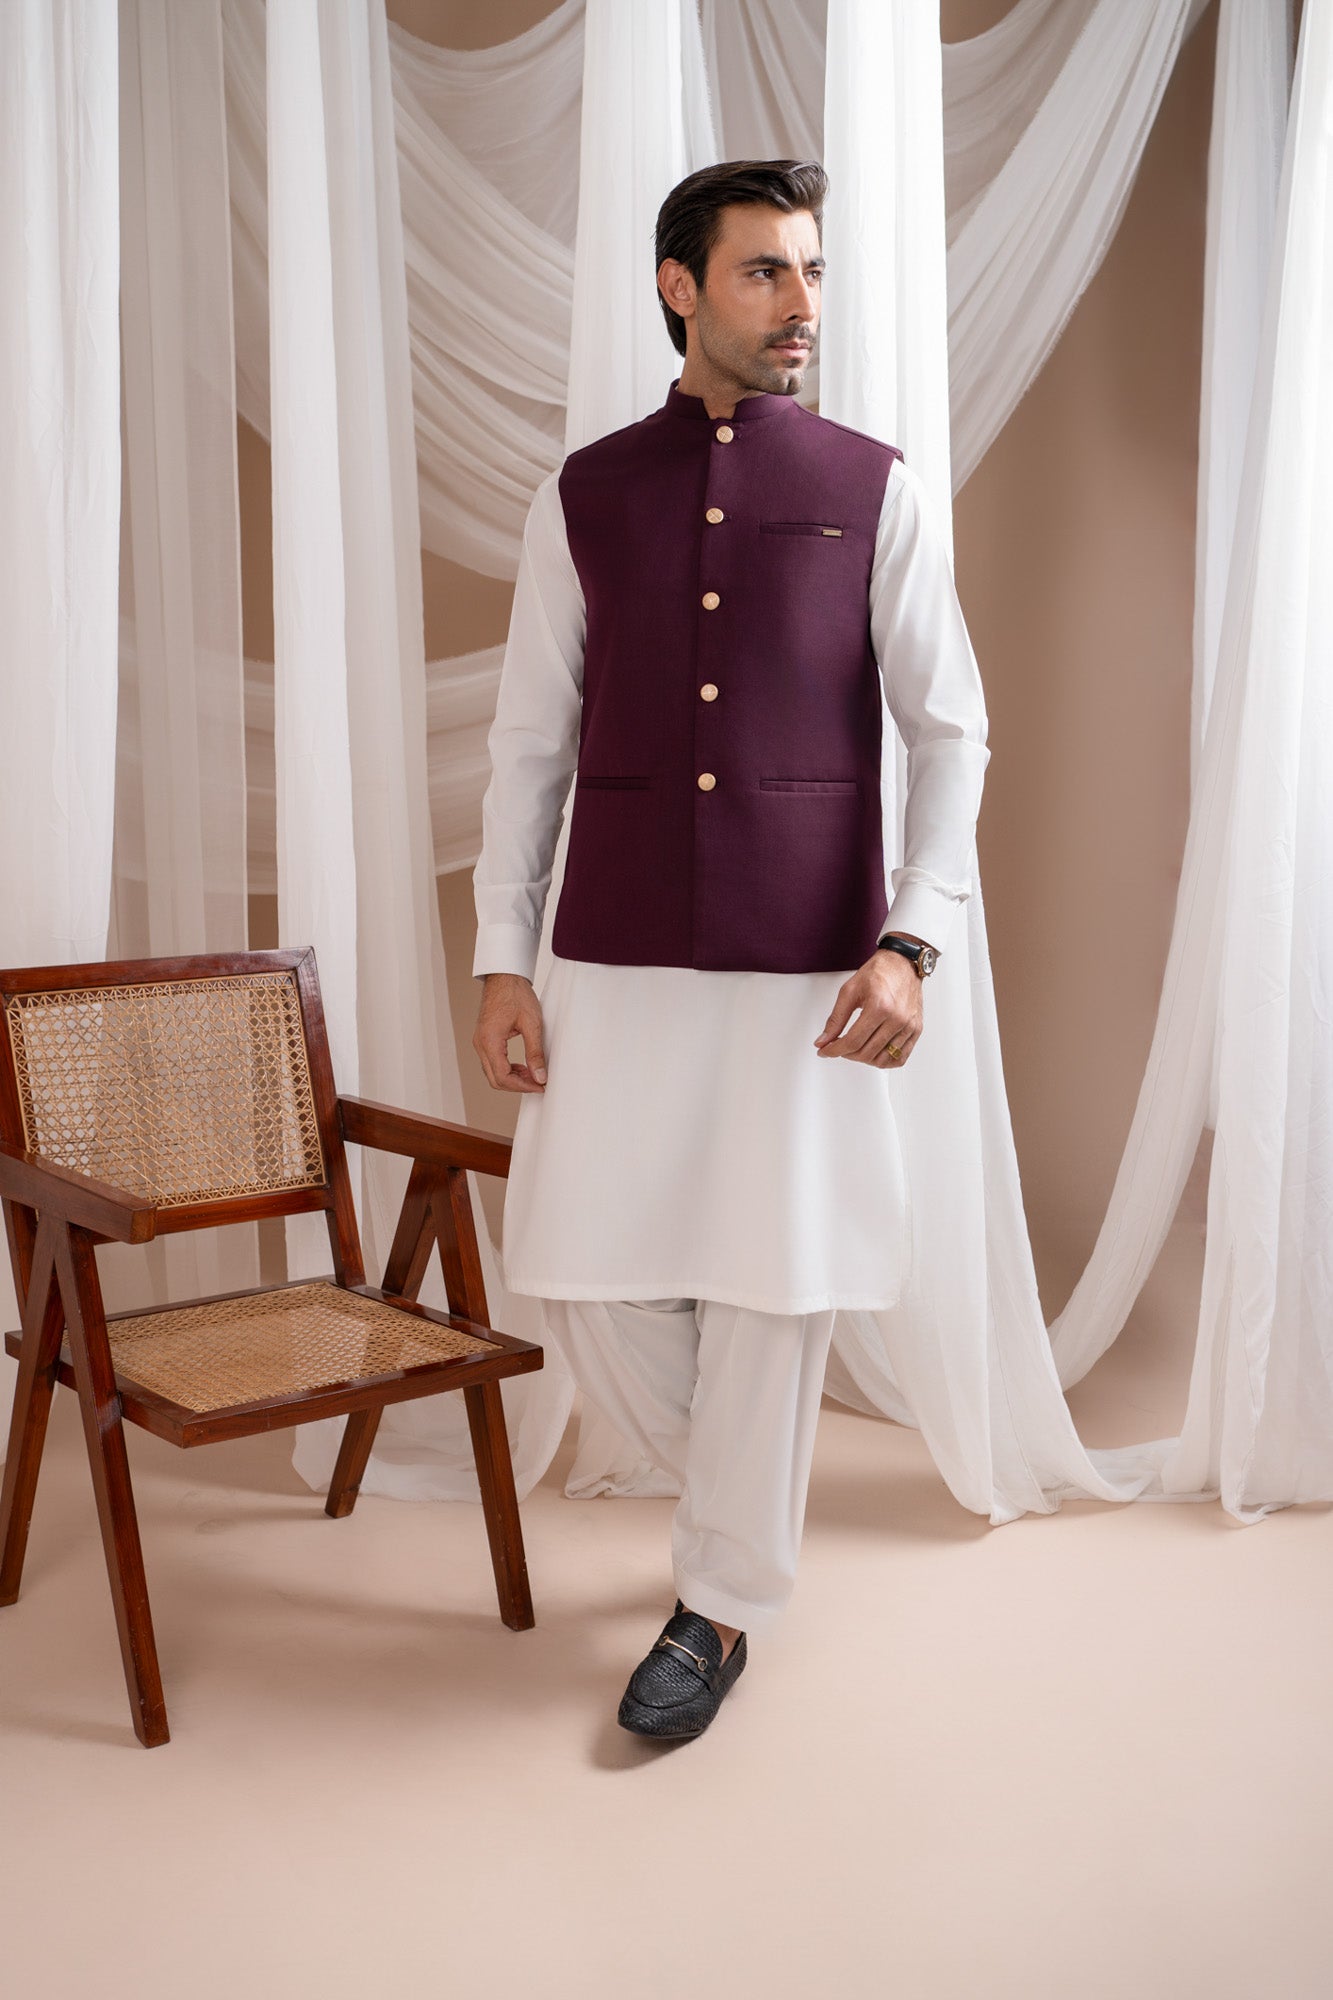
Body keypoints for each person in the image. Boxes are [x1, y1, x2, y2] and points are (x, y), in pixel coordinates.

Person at [470, 159, 989, 1741]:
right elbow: (524, 747)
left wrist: (911, 940)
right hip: (613, 942)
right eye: (765, 273)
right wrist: (502, 952)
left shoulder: (873, 484)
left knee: (772, 1288)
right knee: (581, 1266)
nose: (801, 308)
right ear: (677, 286)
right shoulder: (588, 494)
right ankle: (732, 1507)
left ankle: (720, 1602)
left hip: (803, 955)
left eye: (811, 274)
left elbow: (952, 732)